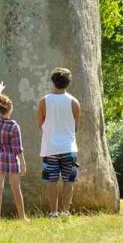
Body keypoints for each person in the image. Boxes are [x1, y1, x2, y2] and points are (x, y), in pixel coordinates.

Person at [37, 67, 80, 218]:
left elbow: (40, 124)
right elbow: (76, 127)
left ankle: (53, 213)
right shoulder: (74, 102)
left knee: (51, 181)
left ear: (53, 81)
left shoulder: (44, 101)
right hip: (69, 147)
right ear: (68, 82)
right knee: (69, 180)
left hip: (50, 147)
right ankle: (65, 212)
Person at [0, 81, 28, 221]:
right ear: (10, 108)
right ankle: (22, 216)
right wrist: (23, 163)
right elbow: (18, 148)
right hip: (10, 158)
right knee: (16, 189)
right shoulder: (14, 126)